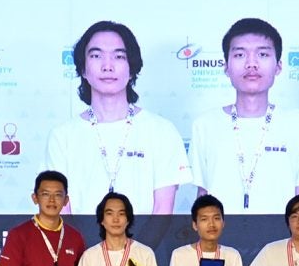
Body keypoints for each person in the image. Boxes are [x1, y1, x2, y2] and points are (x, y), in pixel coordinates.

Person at [46, 20, 191, 215]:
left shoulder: (161, 131)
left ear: (132, 69)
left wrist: (139, 248)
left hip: (146, 246)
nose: (107, 66)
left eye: (118, 56)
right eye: (96, 56)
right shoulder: (62, 136)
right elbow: (61, 211)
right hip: (80, 246)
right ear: (83, 69)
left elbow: (162, 212)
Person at [189, 18, 299, 214]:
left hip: (281, 240)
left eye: (262, 54)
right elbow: (202, 195)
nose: (251, 64)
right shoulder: (205, 125)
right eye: (239, 54)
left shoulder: (298, 123)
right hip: (220, 240)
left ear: (278, 66)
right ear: (226, 66)